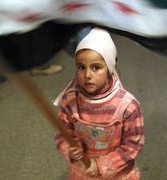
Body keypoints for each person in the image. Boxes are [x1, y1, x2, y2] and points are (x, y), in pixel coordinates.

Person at [54, 28, 145, 179]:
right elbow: (62, 134)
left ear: (110, 67)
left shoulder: (127, 106)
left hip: (118, 174)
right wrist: (71, 149)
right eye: (81, 67)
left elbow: (133, 144)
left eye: (96, 67)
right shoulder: (70, 101)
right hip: (83, 172)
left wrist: (104, 165)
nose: (87, 75)